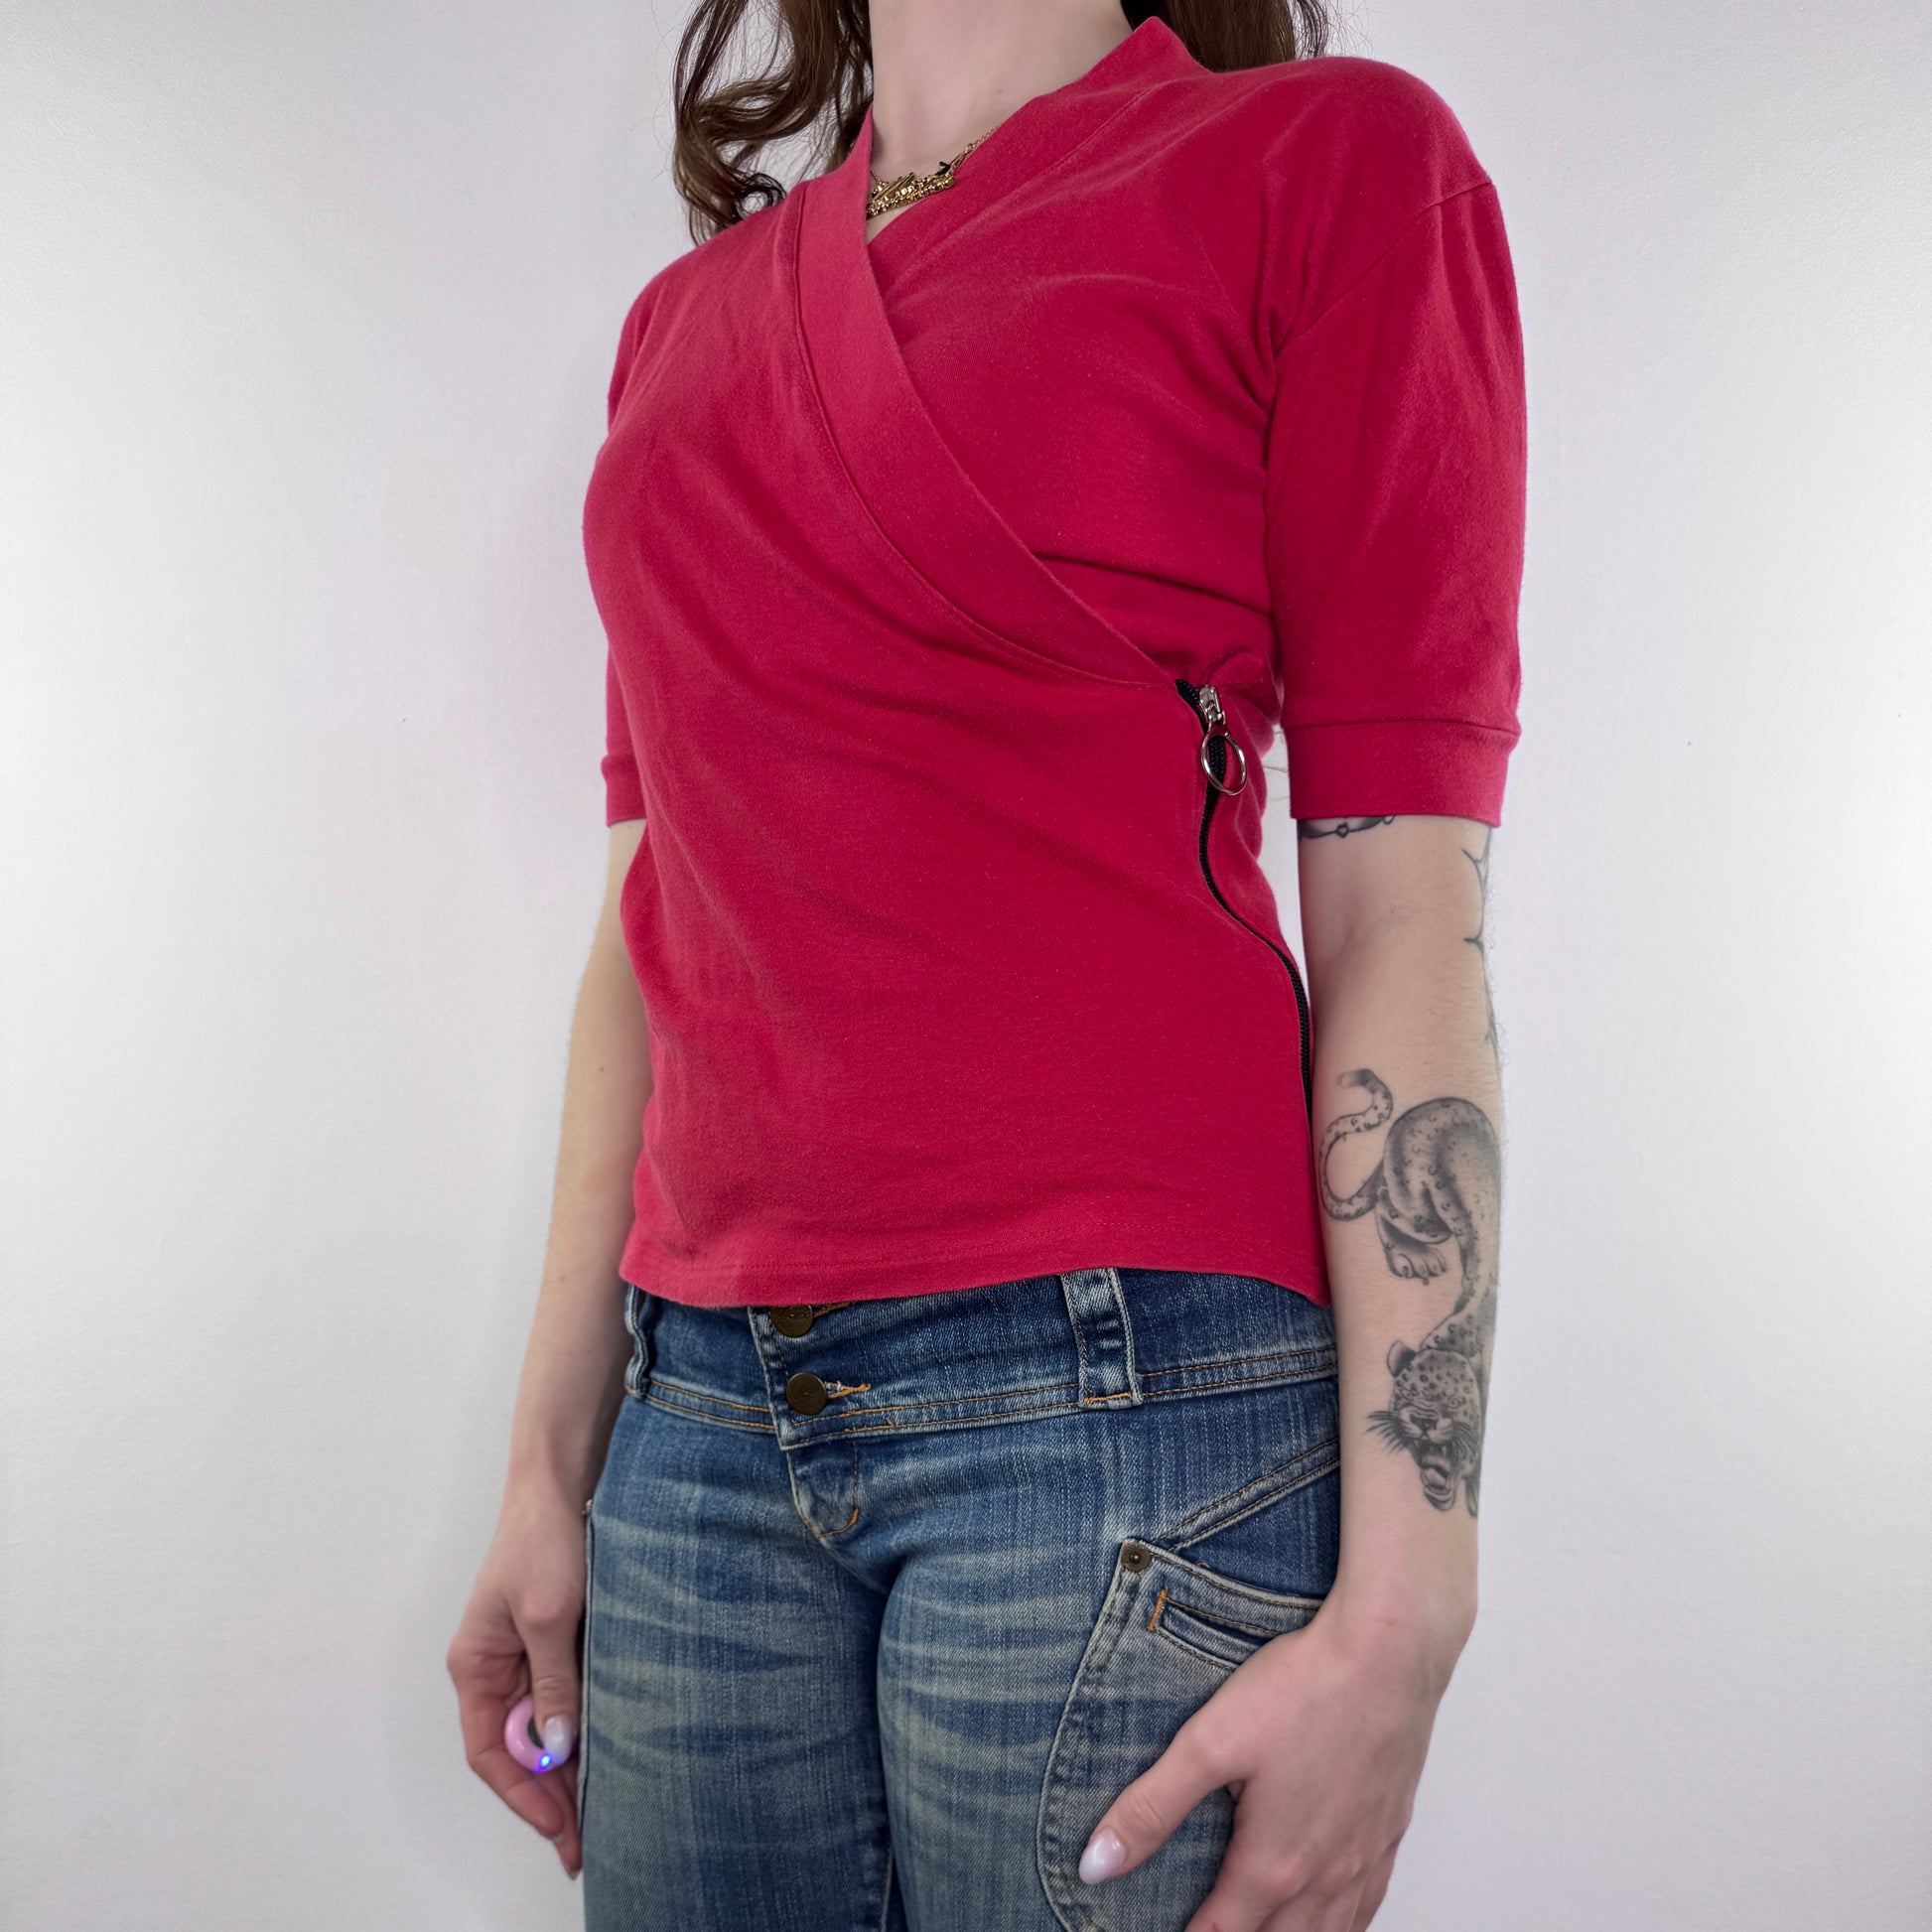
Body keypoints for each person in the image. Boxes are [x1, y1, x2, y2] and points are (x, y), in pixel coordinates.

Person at [448, 0, 1524, 1925]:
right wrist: (549, 1459)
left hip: (1123, 1397)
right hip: (698, 1432)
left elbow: (1400, 898)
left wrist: (1411, 1605)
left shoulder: (1326, 165)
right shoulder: (680, 327)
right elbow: (652, 916)